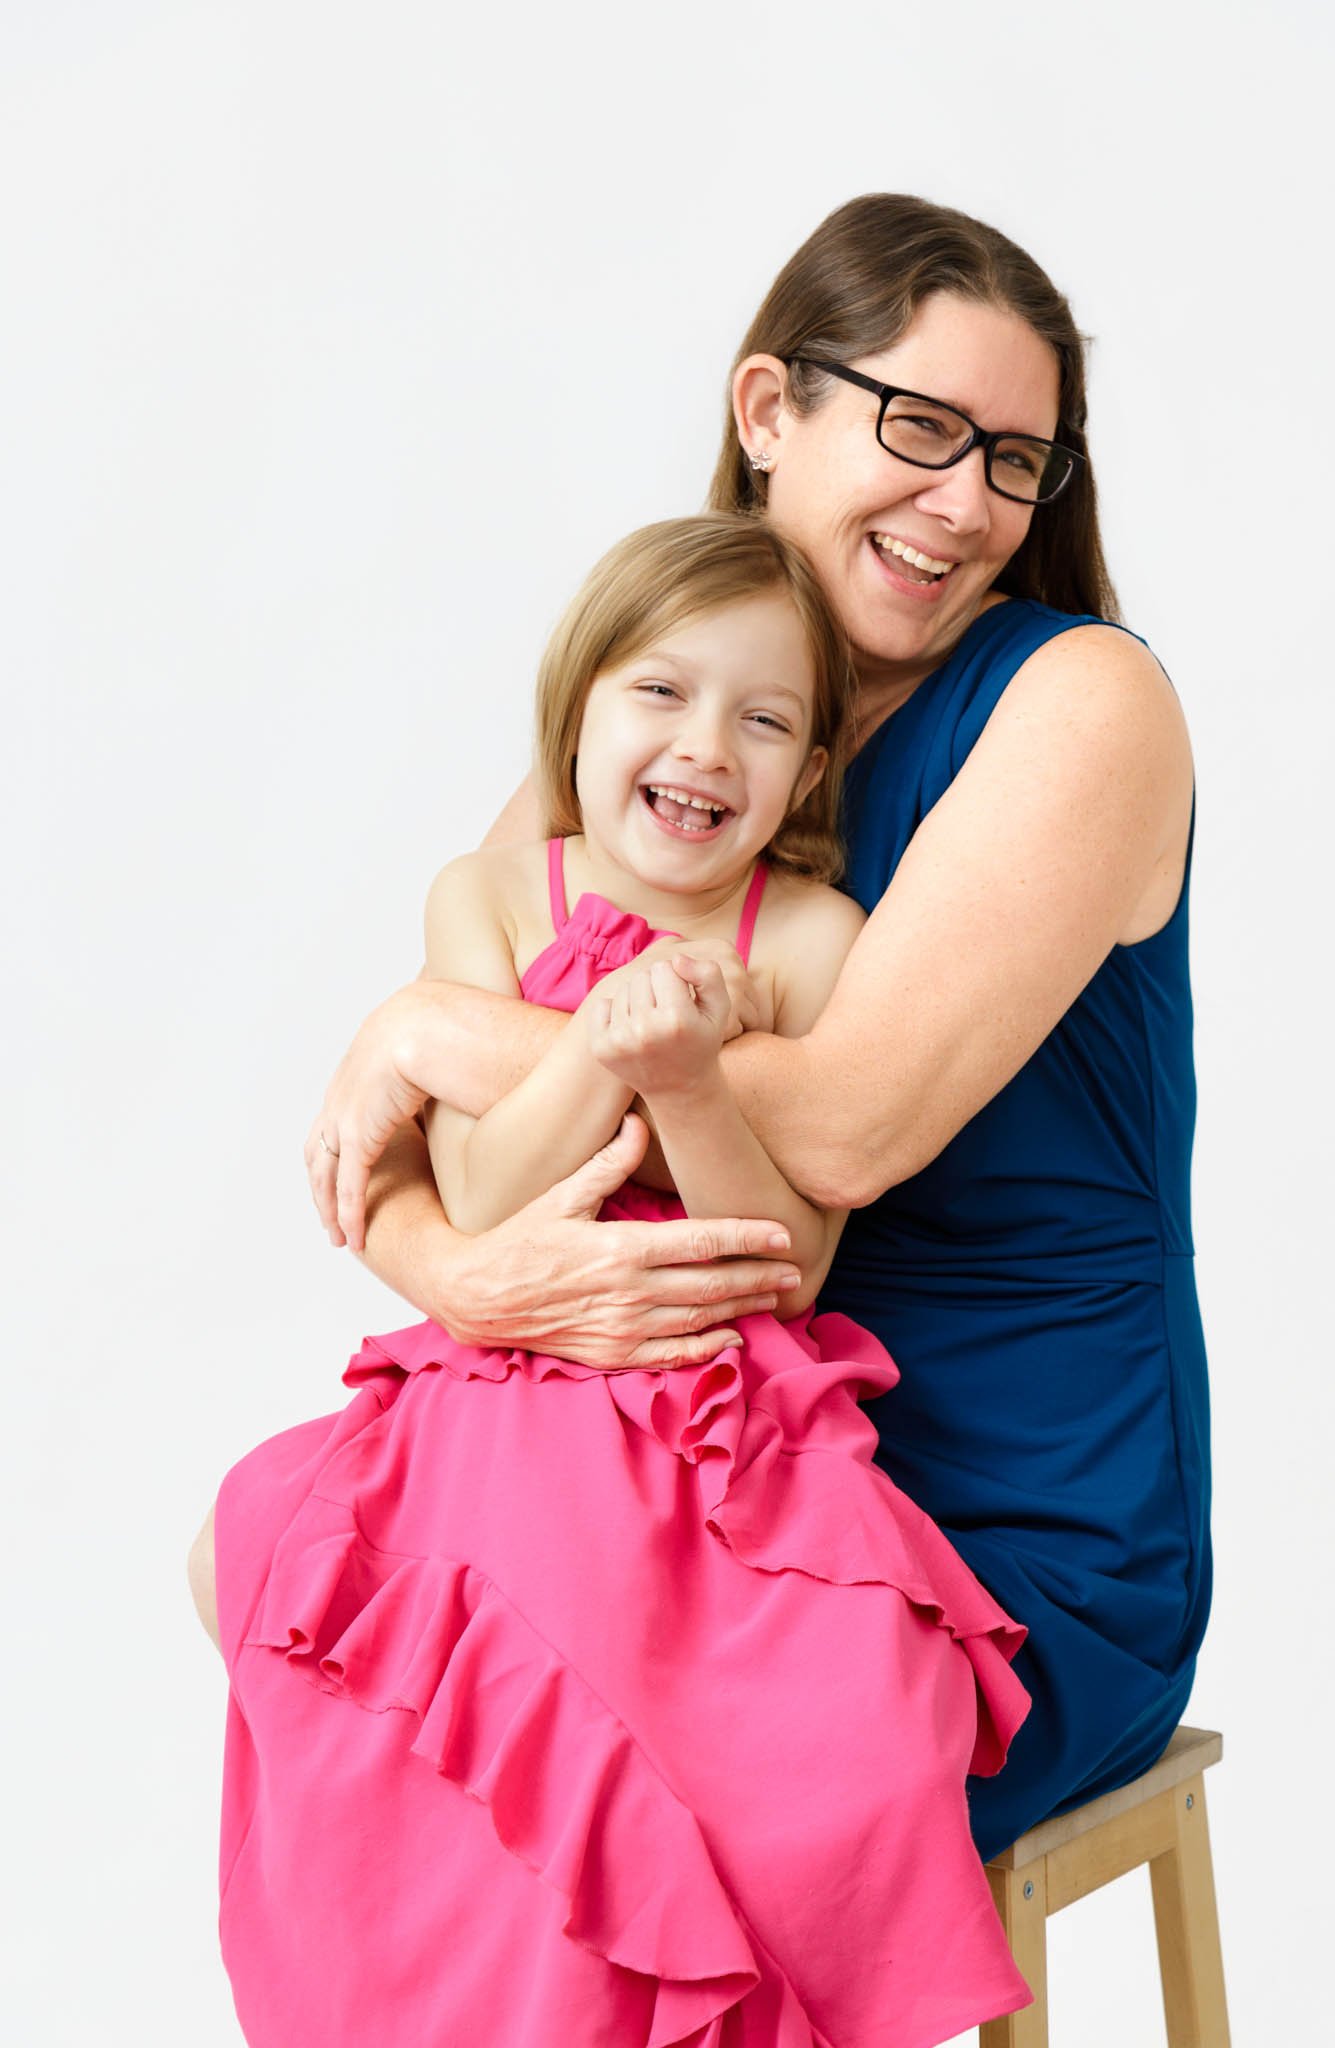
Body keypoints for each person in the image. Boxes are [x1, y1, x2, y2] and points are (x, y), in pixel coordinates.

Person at [277, 191, 1212, 1866]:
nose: (968, 503)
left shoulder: (1084, 702)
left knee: (574, 1744)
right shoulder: (670, 702)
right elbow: (415, 1146)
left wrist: (421, 1027)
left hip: (988, 1512)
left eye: (1016, 460)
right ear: (770, 408)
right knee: (294, 1591)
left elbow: (842, 1129)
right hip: (661, 1460)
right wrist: (454, 1271)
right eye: (922, 428)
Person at [200, 514, 1036, 2046]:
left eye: (766, 721)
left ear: (803, 778)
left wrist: (696, 1079)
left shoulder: (807, 939)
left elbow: (789, 1269)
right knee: (362, 1600)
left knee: (798, 1726)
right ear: (582, 706)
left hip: (720, 1409)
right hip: (506, 1374)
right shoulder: (496, 899)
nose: (707, 746)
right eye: (663, 693)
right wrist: (597, 1042)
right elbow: (482, 1189)